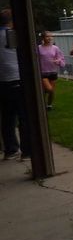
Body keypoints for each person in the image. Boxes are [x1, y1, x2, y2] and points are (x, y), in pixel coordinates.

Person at [0, 9, 30, 161]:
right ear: (11, 21)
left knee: (7, 117)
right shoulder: (12, 35)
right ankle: (28, 150)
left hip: (2, 82)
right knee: (24, 116)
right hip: (17, 79)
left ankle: (11, 149)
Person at [37, 31, 65, 110]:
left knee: (50, 92)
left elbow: (61, 58)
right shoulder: (38, 48)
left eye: (51, 36)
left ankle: (49, 105)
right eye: (47, 36)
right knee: (50, 89)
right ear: (43, 38)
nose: (50, 38)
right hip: (43, 73)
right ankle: (42, 103)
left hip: (53, 72)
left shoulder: (55, 48)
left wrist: (58, 61)